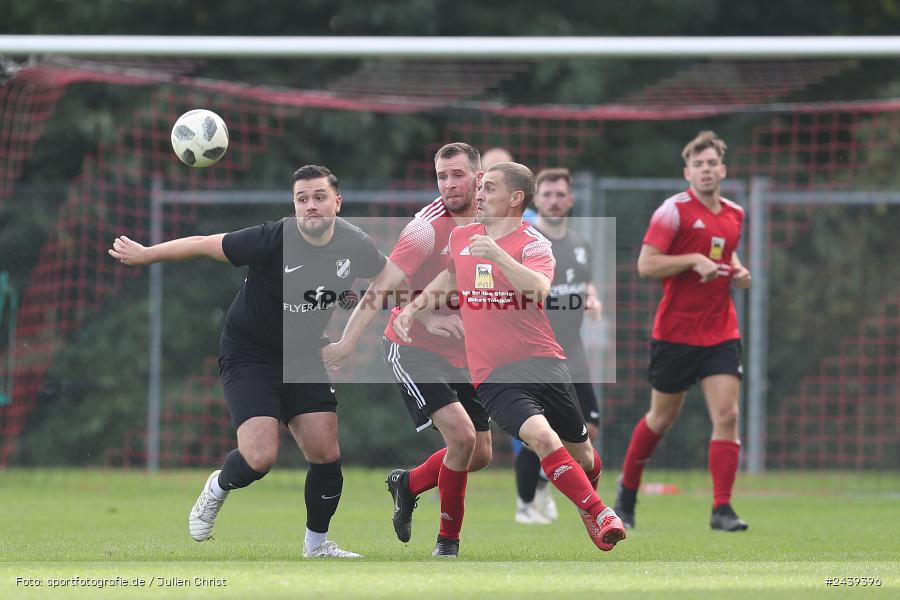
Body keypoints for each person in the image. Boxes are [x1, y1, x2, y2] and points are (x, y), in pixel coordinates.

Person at [108, 165, 388, 558]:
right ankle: (218, 487)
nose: (310, 206)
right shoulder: (272, 239)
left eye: (319, 197)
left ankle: (317, 545)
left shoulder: (355, 244)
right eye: (302, 199)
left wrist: (351, 339)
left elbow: (390, 277)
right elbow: (206, 243)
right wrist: (147, 254)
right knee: (259, 458)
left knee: (326, 452)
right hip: (250, 354)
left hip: (304, 354)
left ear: (337, 202)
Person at [394, 162, 626, 552]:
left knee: (585, 459)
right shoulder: (463, 236)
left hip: (545, 362)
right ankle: (601, 512)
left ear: (515, 198)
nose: (479, 195)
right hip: (494, 374)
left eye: (489, 189)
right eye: (480, 188)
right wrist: (414, 310)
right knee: (540, 436)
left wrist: (499, 256)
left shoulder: (534, 243)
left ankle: (587, 503)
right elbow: (450, 278)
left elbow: (538, 288)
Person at [321, 142, 492, 558]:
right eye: (441, 176)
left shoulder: (494, 220)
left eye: (458, 175)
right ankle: (447, 544)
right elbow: (381, 287)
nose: (449, 184)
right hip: (411, 347)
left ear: (479, 177)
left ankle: (408, 483)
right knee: (462, 437)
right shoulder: (424, 229)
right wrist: (346, 343)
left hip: (463, 352)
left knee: (480, 454)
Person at [613, 131, 751, 532]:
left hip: (721, 331)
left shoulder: (735, 213)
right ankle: (627, 493)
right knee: (661, 418)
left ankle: (721, 509)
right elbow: (646, 265)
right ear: (687, 171)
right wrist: (692, 260)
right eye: (698, 165)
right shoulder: (671, 212)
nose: (706, 170)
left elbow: (724, 249)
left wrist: (737, 270)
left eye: (712, 164)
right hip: (675, 334)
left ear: (722, 169)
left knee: (728, 415)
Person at [512, 168, 602, 526]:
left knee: (589, 428)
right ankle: (524, 505)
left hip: (573, 353)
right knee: (540, 433)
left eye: (559, 194)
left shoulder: (580, 245)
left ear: (569, 200)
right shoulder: (527, 244)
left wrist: (592, 298)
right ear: (538, 199)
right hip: (537, 355)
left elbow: (583, 282)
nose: (553, 200)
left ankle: (544, 480)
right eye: (546, 194)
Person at [482, 147, 537, 225]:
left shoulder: (530, 219)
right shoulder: (470, 217)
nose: (497, 178)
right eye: (491, 172)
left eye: (504, 172)